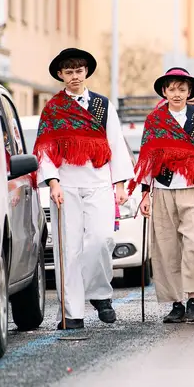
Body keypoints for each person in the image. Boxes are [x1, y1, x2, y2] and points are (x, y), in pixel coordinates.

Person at [34, 48, 135, 330]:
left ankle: (100, 294)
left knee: (101, 240)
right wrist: (52, 182)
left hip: (99, 182)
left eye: (79, 71)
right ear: (60, 75)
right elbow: (45, 148)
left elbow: (115, 143)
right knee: (69, 249)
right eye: (69, 72)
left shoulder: (103, 105)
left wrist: (120, 185)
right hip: (65, 185)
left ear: (86, 72)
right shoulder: (53, 108)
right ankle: (72, 313)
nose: (75, 76)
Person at [131, 68, 194, 323]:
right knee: (167, 248)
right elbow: (147, 157)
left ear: (189, 93)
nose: (176, 94)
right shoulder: (154, 120)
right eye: (172, 89)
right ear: (164, 91)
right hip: (162, 189)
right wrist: (145, 194)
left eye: (182, 89)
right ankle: (176, 303)